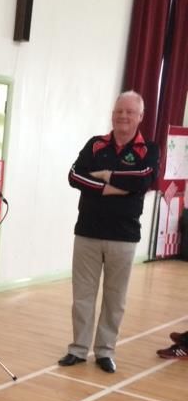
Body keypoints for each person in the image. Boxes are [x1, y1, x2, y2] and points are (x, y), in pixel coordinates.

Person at [58, 91, 158, 373]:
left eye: (129, 111)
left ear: (140, 116)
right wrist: (110, 188)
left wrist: (105, 175)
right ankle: (78, 349)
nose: (123, 116)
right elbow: (74, 176)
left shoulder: (149, 150)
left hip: (124, 237)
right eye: (118, 111)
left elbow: (143, 179)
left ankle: (105, 351)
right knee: (82, 297)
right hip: (87, 232)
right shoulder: (95, 144)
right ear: (113, 114)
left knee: (115, 300)